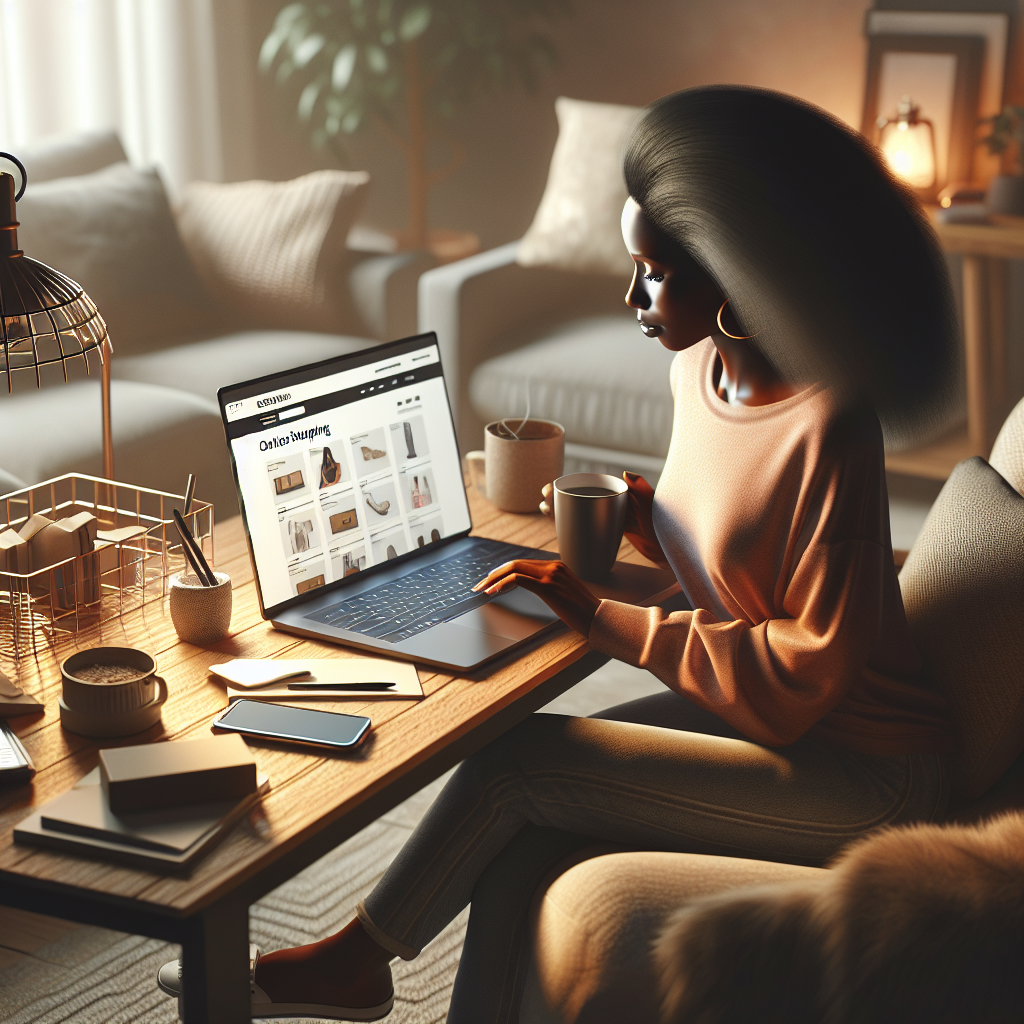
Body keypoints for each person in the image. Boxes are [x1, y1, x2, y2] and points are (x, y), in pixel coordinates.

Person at [157, 86, 961, 1022]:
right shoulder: (695, 370)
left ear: (738, 273)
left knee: (518, 765)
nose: (632, 299)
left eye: (656, 274)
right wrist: (646, 517)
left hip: (867, 773)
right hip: (776, 724)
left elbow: (807, 667)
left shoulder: (831, 425)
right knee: (525, 838)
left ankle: (356, 959)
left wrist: (604, 619)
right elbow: (740, 560)